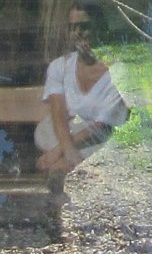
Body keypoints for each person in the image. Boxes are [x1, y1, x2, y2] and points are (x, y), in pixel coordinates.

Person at [35, 36, 129, 174]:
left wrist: (60, 150)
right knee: (43, 137)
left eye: (85, 26)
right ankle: (64, 167)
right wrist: (66, 148)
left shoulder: (118, 69)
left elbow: (102, 124)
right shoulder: (60, 66)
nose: (80, 34)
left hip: (102, 138)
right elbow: (58, 111)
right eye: (75, 27)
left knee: (100, 151)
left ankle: (61, 170)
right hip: (67, 134)